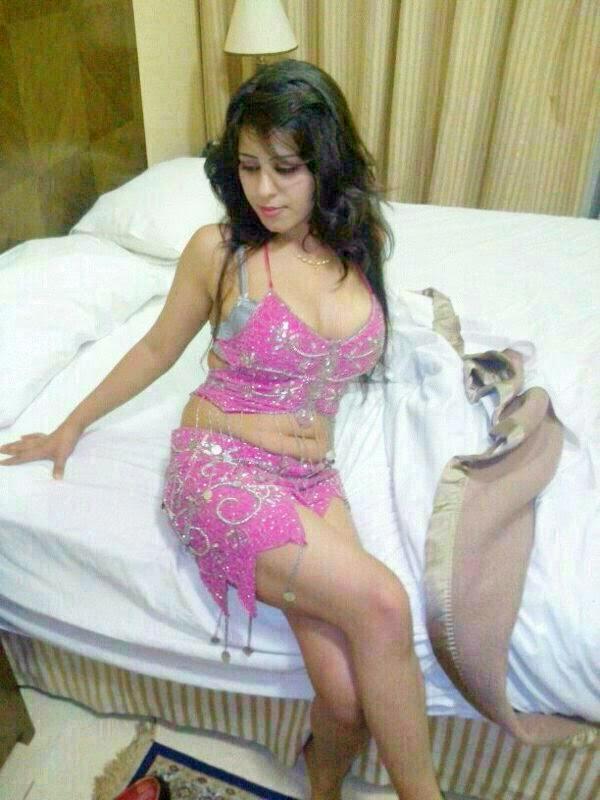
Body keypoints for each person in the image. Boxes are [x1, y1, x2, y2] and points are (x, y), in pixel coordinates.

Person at [0, 60, 444, 800]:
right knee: (385, 603)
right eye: (248, 166)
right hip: (220, 465)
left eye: (286, 168)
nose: (264, 190)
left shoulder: (357, 240)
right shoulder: (221, 250)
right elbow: (154, 349)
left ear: (325, 165)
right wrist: (69, 426)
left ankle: (322, 790)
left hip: (310, 476)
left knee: (344, 697)